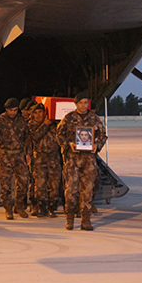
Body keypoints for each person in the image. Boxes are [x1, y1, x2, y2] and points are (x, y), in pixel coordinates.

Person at [56, 92, 107, 230]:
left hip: (88, 160)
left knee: (87, 191)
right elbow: (59, 135)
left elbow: (103, 135)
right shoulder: (69, 118)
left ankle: (86, 220)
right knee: (71, 190)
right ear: (76, 104)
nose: (83, 105)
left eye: (86, 103)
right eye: (81, 103)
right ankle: (70, 218)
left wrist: (97, 145)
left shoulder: (94, 118)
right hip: (73, 159)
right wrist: (68, 144)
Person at [0, 98, 30, 220]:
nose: (13, 113)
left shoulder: (22, 121)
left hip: (19, 155)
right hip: (4, 156)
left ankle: (19, 206)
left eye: (15, 110)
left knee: (24, 181)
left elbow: (27, 138)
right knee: (5, 184)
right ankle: (8, 208)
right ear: (6, 110)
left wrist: (28, 153)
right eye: (11, 110)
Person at [26, 103, 61, 218]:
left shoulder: (55, 125)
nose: (38, 115)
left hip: (54, 158)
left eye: (40, 112)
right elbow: (35, 137)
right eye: (35, 113)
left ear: (45, 113)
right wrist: (45, 125)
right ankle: (41, 207)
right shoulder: (31, 125)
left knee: (54, 185)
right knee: (40, 185)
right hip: (39, 158)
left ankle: (51, 207)